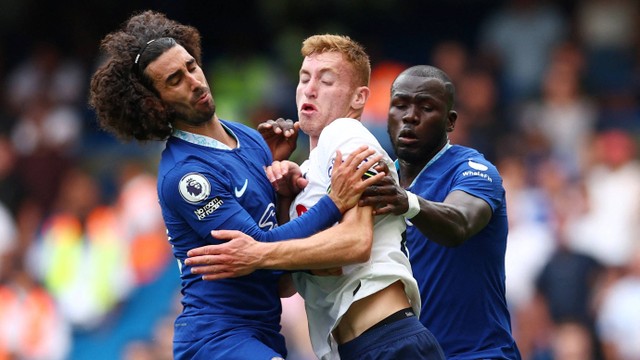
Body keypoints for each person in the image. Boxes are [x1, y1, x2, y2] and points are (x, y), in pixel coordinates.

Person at [88, 11, 381, 360]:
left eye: (191, 67)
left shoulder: (247, 137)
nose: (194, 81)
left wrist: (281, 187)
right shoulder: (186, 176)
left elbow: (280, 250)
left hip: (265, 331)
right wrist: (333, 202)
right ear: (154, 104)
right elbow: (258, 249)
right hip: (217, 337)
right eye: (174, 80)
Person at [186, 35, 445, 360]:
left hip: (389, 339)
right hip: (353, 349)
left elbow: (355, 242)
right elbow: (286, 285)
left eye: (326, 80)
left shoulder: (346, 134)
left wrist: (258, 253)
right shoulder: (306, 172)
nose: (310, 89)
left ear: (358, 98)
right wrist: (281, 197)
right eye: (305, 78)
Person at [358, 65, 522, 359]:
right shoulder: (379, 182)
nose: (410, 116)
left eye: (426, 107)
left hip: (478, 354)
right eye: (400, 105)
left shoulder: (473, 170)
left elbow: (459, 223)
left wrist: (408, 202)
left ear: (450, 121)